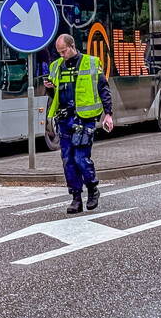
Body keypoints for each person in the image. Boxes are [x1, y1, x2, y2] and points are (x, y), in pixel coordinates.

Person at [44, 33, 114, 214]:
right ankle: (76, 197)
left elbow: (103, 88)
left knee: (81, 158)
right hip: (64, 119)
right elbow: (54, 95)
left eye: (64, 51)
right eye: (59, 52)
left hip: (84, 118)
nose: (61, 55)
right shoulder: (56, 66)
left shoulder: (90, 63)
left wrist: (108, 114)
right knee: (68, 160)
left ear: (72, 46)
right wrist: (49, 88)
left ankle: (92, 189)